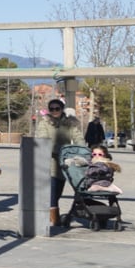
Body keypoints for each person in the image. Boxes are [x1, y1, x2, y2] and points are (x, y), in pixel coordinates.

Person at [36, 99, 85, 233]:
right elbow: (43, 140)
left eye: (57, 108)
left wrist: (81, 150)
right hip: (49, 162)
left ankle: (56, 214)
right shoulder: (44, 123)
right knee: (51, 193)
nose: (54, 111)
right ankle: (54, 219)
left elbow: (78, 137)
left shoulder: (69, 123)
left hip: (65, 163)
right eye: (52, 109)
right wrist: (61, 150)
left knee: (58, 192)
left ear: (62, 109)